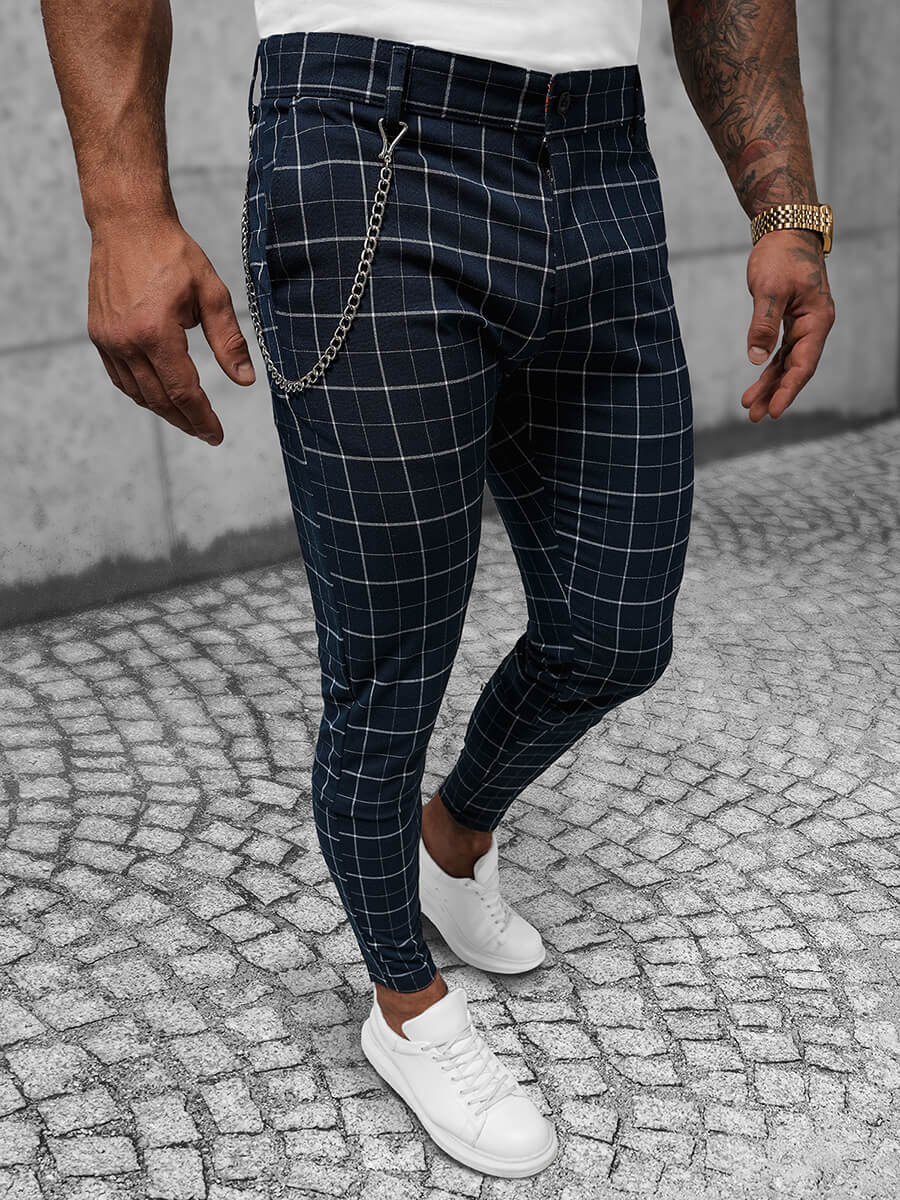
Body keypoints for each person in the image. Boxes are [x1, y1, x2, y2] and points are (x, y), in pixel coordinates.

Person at [40, 0, 835, 1179]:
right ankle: (406, 1007)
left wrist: (788, 209)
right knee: (388, 669)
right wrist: (124, 207)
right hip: (368, 140)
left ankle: (450, 841)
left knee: (617, 631)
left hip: (602, 155)